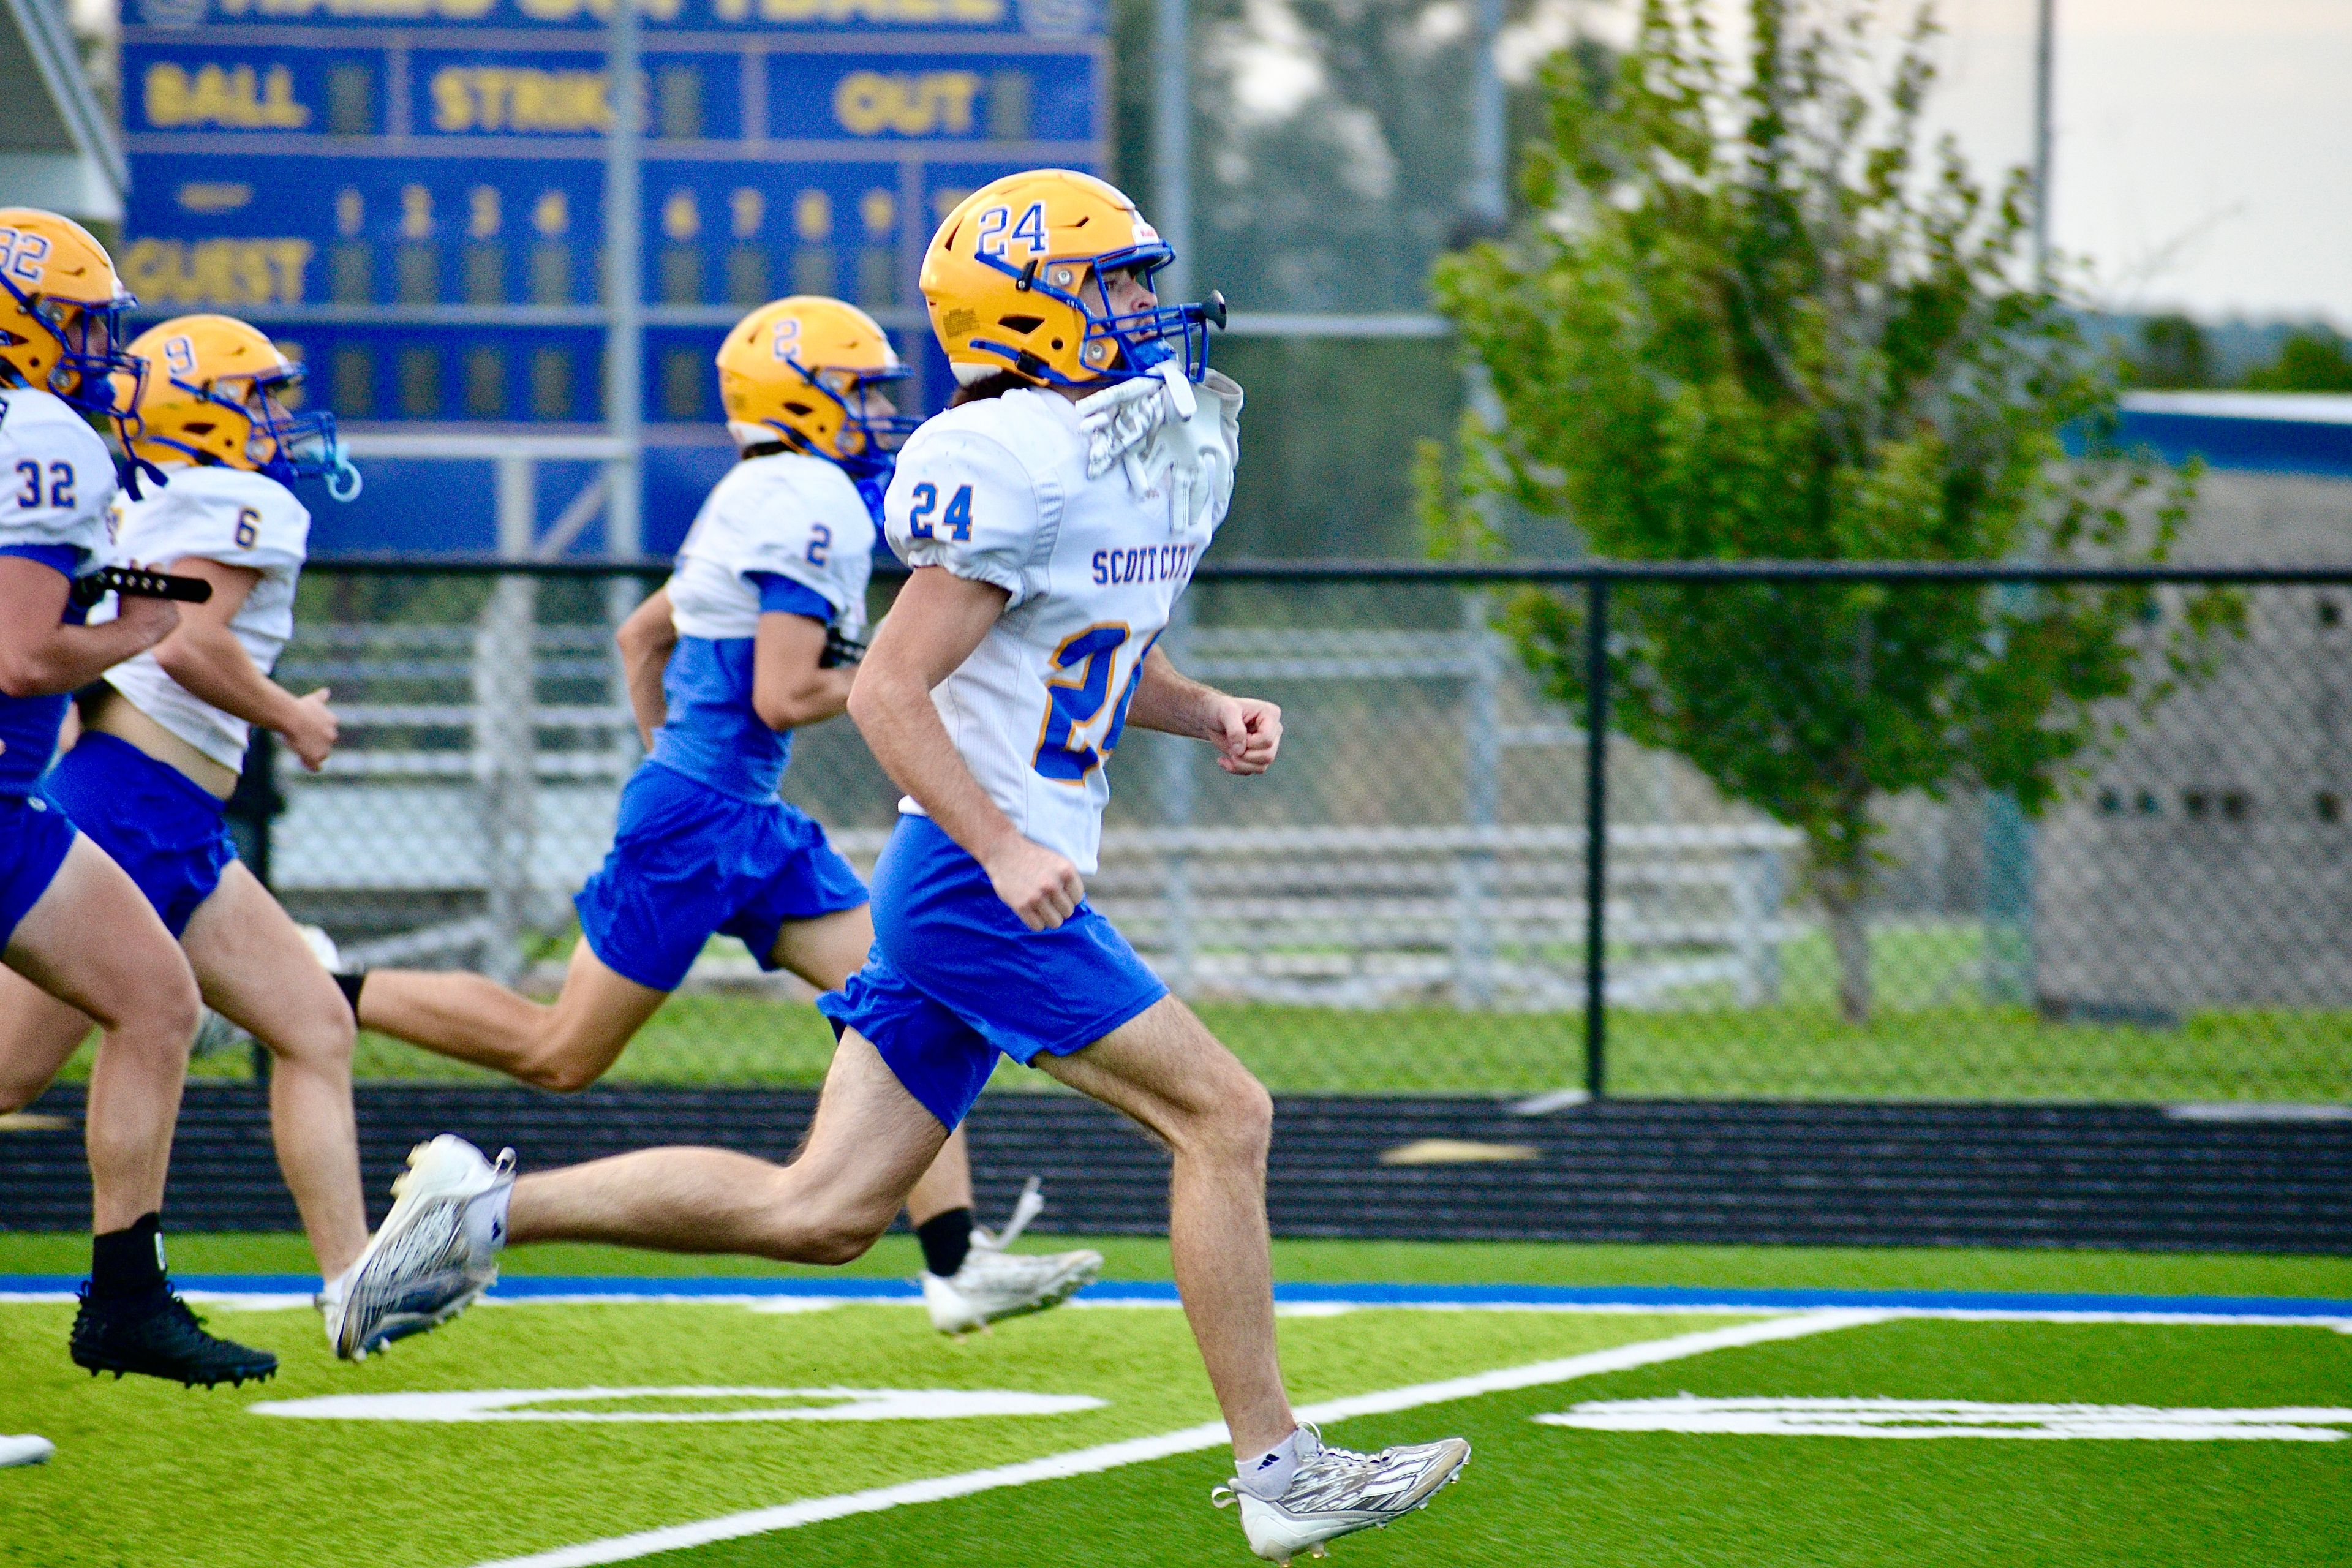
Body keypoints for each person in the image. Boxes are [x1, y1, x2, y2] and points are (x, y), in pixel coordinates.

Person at [332, 172, 1471, 1562]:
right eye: (1111, 281)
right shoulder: (1009, 452)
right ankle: (1281, 1466)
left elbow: (1094, 653)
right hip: (973, 879)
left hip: (976, 874)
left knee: (823, 1210)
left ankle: (484, 1208)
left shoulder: (1107, 447)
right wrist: (1002, 846)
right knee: (1226, 1114)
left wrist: (1207, 704)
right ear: (1030, 311)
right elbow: (888, 692)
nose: (1142, 306)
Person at [333, 295, 1101, 1346]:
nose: (880, 413)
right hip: (708, 818)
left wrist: (680, 760)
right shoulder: (807, 496)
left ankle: (956, 1259)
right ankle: (325, 992)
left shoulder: (764, 490)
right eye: (861, 391)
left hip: (732, 812)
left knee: (905, 988)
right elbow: (786, 694)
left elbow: (640, 638)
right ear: (804, 398)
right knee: (562, 1051)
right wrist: (906, 678)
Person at [0, 312, 373, 1354]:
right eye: (259, 399)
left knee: (313, 1024)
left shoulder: (134, 492)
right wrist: (292, 713)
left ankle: (352, 1282)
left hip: (166, 813)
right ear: (202, 409)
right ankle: (140, 1294)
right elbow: (187, 645)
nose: (279, 422)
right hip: (130, 807)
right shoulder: (241, 498)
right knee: (11, 1074)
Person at [0, 211, 274, 1387]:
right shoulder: (42, 434)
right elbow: (19, 656)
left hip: (20, 805)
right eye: (77, 322)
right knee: (147, 1007)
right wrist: (141, 627)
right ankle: (121, 1298)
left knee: (156, 1000)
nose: (101, 349)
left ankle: (125, 1296)